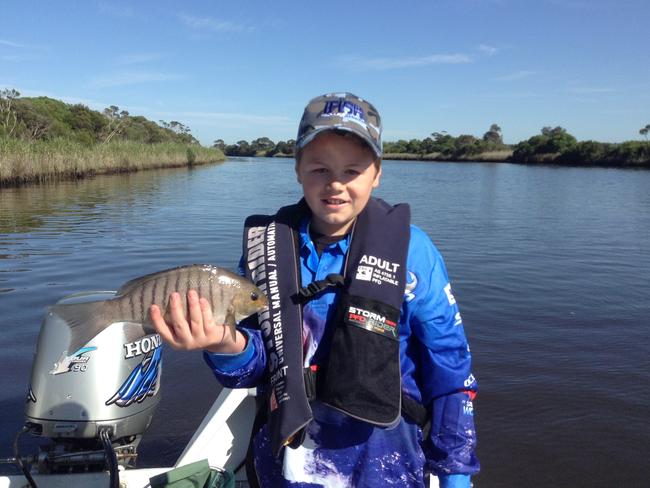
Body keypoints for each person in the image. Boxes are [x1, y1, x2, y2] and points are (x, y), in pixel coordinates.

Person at [151, 92, 479, 487]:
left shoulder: (415, 252)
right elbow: (256, 366)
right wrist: (225, 345)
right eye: (320, 169)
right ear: (298, 169)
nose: (335, 184)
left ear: (377, 173)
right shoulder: (267, 251)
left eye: (353, 170)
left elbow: (450, 368)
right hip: (288, 467)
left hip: (385, 464)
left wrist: (455, 474)